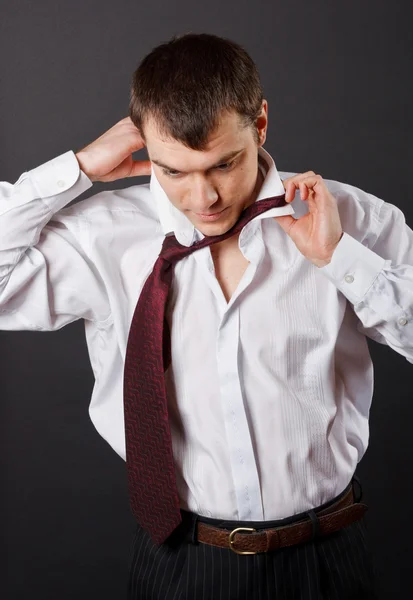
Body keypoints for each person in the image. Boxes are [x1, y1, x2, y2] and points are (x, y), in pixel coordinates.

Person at [1, 32, 412, 600]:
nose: (204, 198)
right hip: (180, 565)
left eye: (224, 164)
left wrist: (338, 259)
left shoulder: (349, 219)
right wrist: (75, 171)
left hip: (326, 561)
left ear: (261, 125)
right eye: (174, 172)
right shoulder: (106, 237)